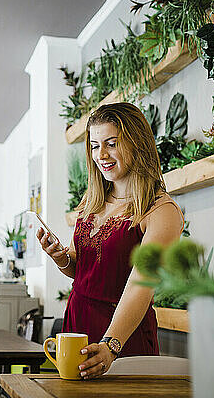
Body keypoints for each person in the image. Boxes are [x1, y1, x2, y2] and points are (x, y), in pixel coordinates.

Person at [37, 103, 183, 379]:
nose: (101, 155)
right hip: (77, 325)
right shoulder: (92, 202)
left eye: (111, 144)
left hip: (123, 336)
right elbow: (85, 270)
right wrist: (62, 258)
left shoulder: (161, 212)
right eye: (94, 146)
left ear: (136, 144)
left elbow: (141, 286)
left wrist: (111, 345)